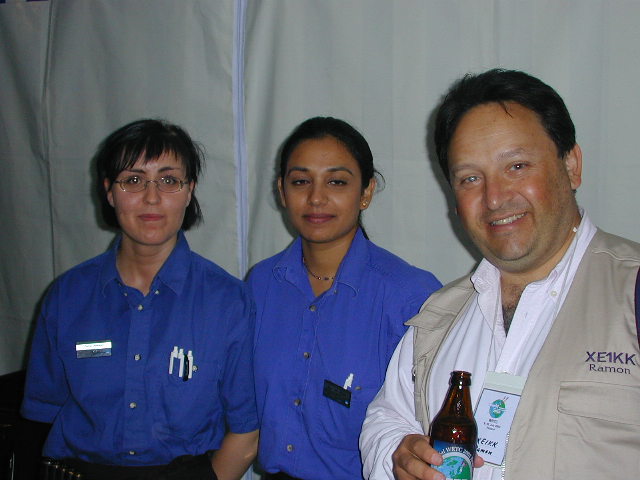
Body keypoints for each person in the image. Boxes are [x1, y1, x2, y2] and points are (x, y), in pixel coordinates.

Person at [360, 69, 640, 480]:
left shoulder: (631, 293)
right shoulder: (439, 315)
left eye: (517, 166)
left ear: (571, 165)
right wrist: (397, 454)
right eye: (470, 178)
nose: (493, 198)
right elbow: (389, 415)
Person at [20, 119, 259, 480]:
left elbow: (246, 432)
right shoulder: (67, 296)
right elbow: (41, 414)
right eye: (133, 180)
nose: (151, 197)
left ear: (189, 191)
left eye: (169, 180)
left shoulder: (228, 301)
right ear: (109, 191)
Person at [248, 117, 442, 480]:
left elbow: (431, 423)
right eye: (300, 181)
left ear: (366, 192)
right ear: (281, 191)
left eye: (336, 181)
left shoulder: (410, 296)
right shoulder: (261, 284)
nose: (316, 197)